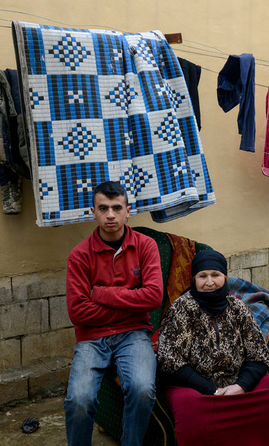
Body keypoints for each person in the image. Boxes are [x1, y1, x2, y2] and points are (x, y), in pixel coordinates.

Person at [63, 181, 163, 446]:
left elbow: (153, 297)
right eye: (103, 208)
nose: (110, 215)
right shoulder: (79, 255)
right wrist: (132, 305)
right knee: (79, 400)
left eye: (117, 208)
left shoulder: (146, 246)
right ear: (93, 212)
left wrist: (102, 294)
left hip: (134, 334)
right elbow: (78, 313)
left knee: (142, 390)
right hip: (91, 338)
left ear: (128, 211)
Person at [156, 249, 269, 446]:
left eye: (215, 275)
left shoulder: (237, 307)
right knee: (189, 407)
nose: (209, 282)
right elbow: (169, 361)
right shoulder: (181, 309)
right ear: (194, 279)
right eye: (202, 276)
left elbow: (259, 354)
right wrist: (211, 390)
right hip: (195, 388)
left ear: (224, 277)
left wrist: (241, 386)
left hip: (234, 381)